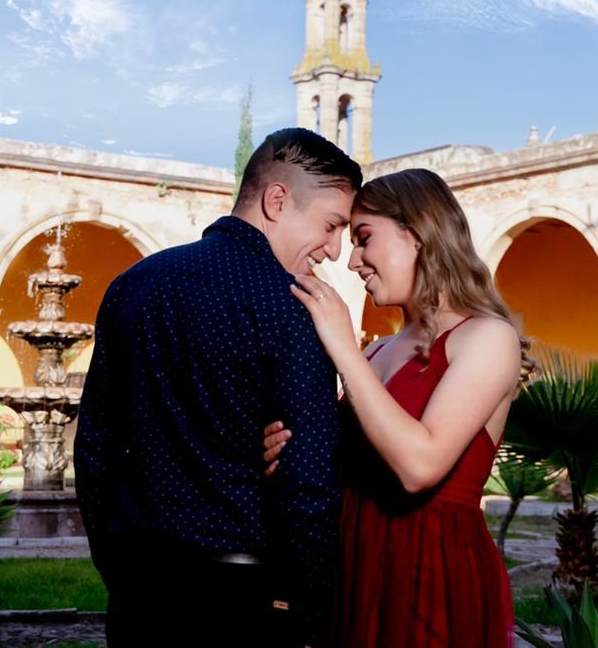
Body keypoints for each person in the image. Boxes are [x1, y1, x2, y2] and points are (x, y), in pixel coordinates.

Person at [74, 127, 363, 647]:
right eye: (331, 224)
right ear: (277, 200)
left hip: (137, 593)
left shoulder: (131, 285)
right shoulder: (293, 308)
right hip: (245, 601)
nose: (336, 250)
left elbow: (94, 447)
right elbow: (308, 486)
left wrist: (116, 567)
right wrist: (314, 615)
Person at [265, 168, 525, 647]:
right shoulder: (375, 352)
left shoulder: (488, 337)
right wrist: (282, 451)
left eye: (364, 239)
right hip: (355, 564)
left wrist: (342, 349)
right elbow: (343, 469)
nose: (352, 261)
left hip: (432, 573)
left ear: (419, 232)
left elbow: (419, 466)